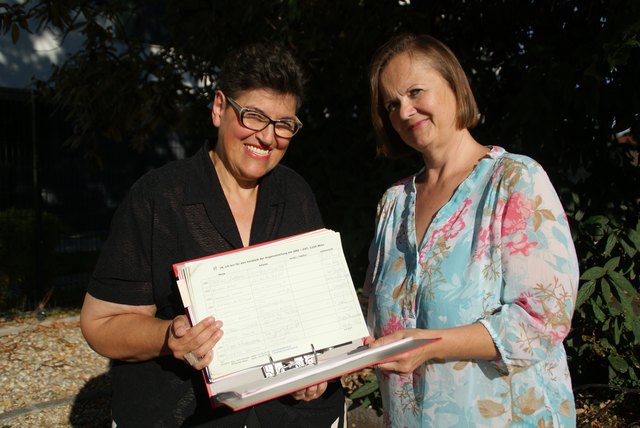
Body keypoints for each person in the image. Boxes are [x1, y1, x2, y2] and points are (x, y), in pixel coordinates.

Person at [80, 42, 345, 427]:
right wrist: (168, 337)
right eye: (253, 116)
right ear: (220, 108)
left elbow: (321, 318)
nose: (268, 138)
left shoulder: (296, 195)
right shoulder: (159, 198)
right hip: (186, 416)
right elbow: (101, 323)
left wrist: (318, 371)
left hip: (293, 418)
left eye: (284, 124)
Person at [363, 33, 579, 427]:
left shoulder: (514, 180)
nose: (405, 111)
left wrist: (429, 346)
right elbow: (372, 316)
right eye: (392, 104)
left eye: (415, 92)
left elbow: (543, 320)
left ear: (455, 86)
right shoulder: (393, 203)